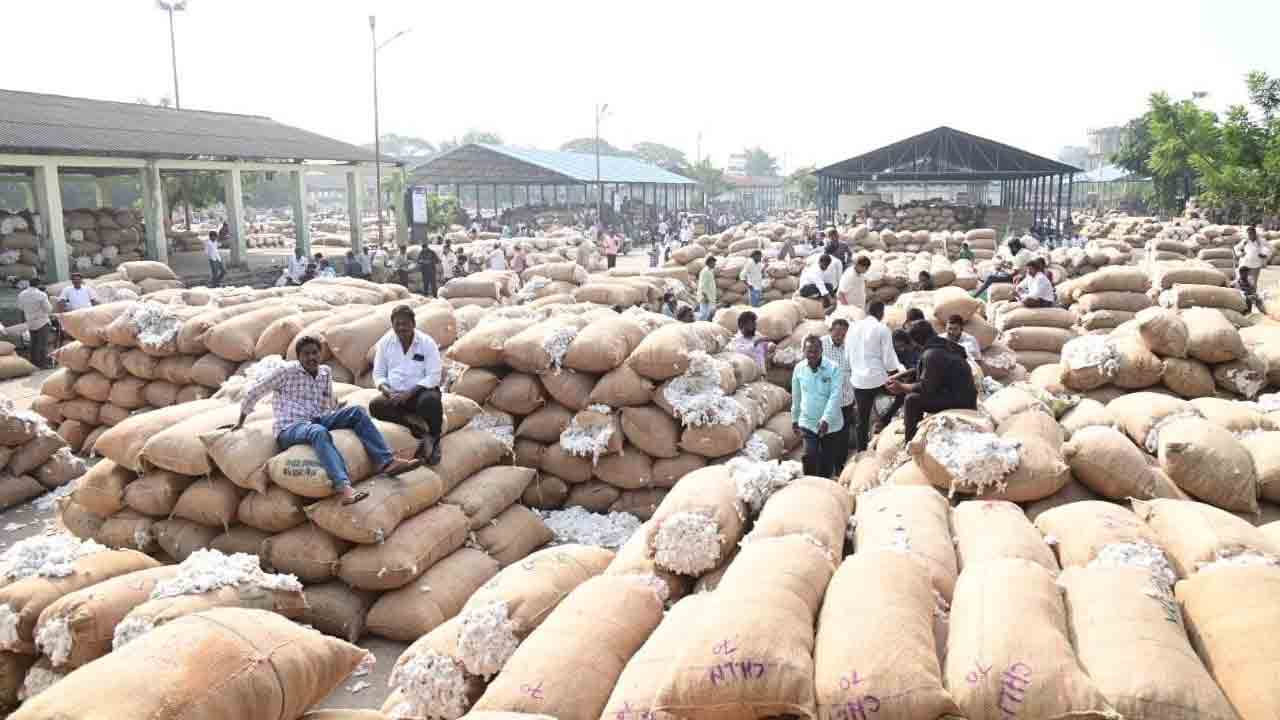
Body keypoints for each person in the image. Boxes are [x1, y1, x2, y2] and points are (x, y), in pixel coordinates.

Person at [234, 335, 419, 505]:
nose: (311, 357)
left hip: (318, 418)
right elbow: (255, 391)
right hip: (291, 427)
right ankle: (343, 486)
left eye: (315, 353)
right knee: (318, 432)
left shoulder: (324, 373)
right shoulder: (286, 372)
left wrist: (338, 409)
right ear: (298, 357)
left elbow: (327, 400)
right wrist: (241, 421)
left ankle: (386, 462)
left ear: (320, 354)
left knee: (357, 412)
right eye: (306, 354)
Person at [369, 305, 446, 465]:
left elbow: (434, 376)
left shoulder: (426, 342)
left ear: (413, 324)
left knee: (430, 401)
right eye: (397, 324)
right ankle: (416, 427)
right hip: (395, 394)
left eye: (405, 323)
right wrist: (389, 393)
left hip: (420, 393)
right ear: (392, 325)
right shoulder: (385, 343)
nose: (401, 328)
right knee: (375, 405)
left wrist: (410, 393)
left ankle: (434, 439)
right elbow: (378, 375)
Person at [887, 320, 978, 443]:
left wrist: (902, 386)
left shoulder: (932, 354)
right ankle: (914, 428)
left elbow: (925, 387)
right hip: (962, 394)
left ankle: (910, 442)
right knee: (911, 388)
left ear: (917, 340)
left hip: (960, 401)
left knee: (912, 399)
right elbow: (930, 370)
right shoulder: (943, 344)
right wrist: (903, 375)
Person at [846, 301, 903, 453]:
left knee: (862, 420)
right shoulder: (882, 329)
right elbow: (889, 359)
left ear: (867, 311)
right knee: (903, 393)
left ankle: (861, 452)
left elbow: (847, 355)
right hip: (878, 379)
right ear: (881, 313)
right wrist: (895, 376)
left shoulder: (852, 328)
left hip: (858, 381)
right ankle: (885, 419)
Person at [791, 335, 845, 478]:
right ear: (804, 351)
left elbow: (836, 396)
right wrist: (794, 418)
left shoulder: (833, 368)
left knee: (827, 461)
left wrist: (826, 419)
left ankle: (824, 488)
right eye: (809, 351)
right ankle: (809, 487)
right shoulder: (799, 369)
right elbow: (796, 395)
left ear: (822, 350)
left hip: (831, 424)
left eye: (816, 351)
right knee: (809, 456)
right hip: (807, 421)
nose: (812, 355)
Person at [821, 318, 856, 469]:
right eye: (837, 334)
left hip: (845, 398)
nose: (839, 338)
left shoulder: (849, 347)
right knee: (826, 434)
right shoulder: (820, 345)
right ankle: (825, 468)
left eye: (843, 335)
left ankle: (840, 466)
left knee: (843, 435)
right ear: (831, 331)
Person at [16, 281, 53, 369]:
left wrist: (23, 322)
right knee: (42, 344)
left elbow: (21, 309)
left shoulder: (22, 294)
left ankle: (33, 363)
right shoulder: (41, 294)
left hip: (30, 322)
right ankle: (43, 364)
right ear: (38, 284)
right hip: (42, 322)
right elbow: (49, 309)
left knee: (33, 343)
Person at [1235, 225, 1270, 313]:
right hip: (1245, 265)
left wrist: (1264, 254)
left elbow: (1268, 248)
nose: (1250, 235)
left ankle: (1254, 306)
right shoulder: (1245, 241)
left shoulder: (1260, 241)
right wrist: (1240, 254)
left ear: (1255, 233)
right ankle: (1245, 306)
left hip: (1255, 266)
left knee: (1252, 286)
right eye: (1249, 234)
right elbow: (1236, 248)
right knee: (1242, 284)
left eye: (1252, 233)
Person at [697, 256, 719, 320]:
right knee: (704, 314)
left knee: (708, 314)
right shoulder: (705, 272)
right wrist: (705, 296)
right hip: (706, 297)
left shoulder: (709, 271)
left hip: (709, 297)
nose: (715, 264)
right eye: (713, 263)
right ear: (709, 263)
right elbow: (702, 286)